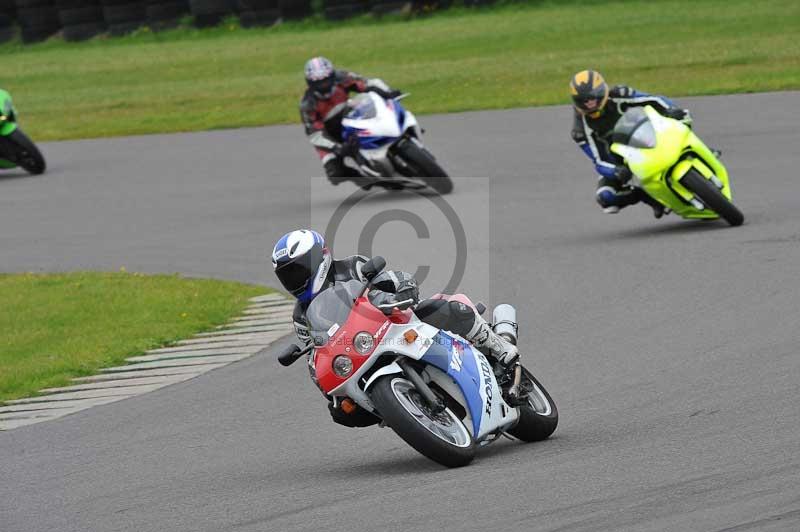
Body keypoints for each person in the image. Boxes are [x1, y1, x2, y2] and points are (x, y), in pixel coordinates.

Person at [271, 229, 519, 427]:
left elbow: (393, 278)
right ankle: (402, 411)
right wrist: (324, 382)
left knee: (443, 307)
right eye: (287, 275)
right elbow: (316, 352)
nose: (294, 279)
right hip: (360, 350)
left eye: (298, 270)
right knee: (342, 412)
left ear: (320, 258)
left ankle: (499, 346)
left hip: (398, 321)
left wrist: (402, 290)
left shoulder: (352, 266)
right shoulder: (301, 316)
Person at [569, 69, 693, 217]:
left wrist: (672, 110)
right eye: (584, 100)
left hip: (648, 136)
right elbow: (599, 161)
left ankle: (699, 151)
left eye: (592, 97)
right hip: (622, 162)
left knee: (682, 120)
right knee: (605, 197)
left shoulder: (620, 94)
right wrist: (616, 171)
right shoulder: (580, 131)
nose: (590, 103)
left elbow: (654, 99)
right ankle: (645, 195)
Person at [300, 57, 401, 186]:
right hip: (329, 136)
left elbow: (368, 83)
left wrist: (388, 92)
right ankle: (365, 180)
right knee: (335, 174)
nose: (323, 85)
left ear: (332, 75)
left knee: (385, 114)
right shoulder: (307, 104)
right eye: (318, 82)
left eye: (326, 80)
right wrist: (337, 147)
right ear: (310, 83)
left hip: (352, 118)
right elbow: (315, 135)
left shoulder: (342, 77)